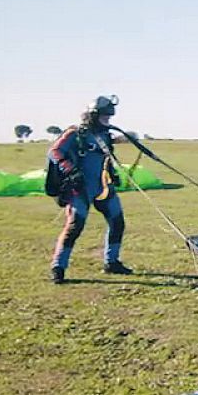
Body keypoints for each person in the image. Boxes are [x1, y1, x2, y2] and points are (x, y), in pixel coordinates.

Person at [46, 96, 149, 282]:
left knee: (117, 222)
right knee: (75, 226)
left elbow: (105, 158)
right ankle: (58, 267)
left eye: (109, 118)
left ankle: (112, 262)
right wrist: (69, 168)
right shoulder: (74, 133)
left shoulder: (105, 136)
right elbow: (54, 152)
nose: (108, 121)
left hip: (103, 187)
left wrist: (113, 174)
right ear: (93, 116)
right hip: (79, 188)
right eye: (104, 117)